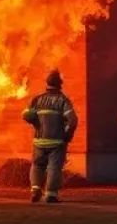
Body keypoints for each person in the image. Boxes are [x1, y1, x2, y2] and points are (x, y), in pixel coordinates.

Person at [21, 69, 78, 203]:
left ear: (47, 83)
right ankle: (51, 195)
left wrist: (36, 122)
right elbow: (73, 120)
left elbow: (25, 115)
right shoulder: (63, 101)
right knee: (54, 167)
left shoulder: (37, 99)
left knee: (37, 165)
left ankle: (35, 191)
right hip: (57, 141)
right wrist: (67, 135)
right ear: (60, 84)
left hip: (39, 141)